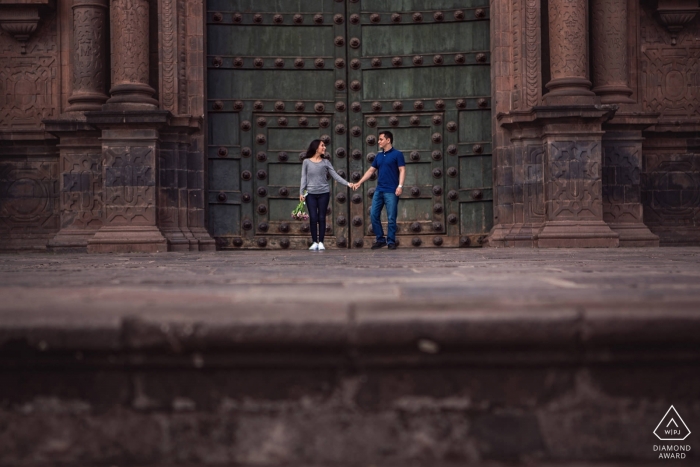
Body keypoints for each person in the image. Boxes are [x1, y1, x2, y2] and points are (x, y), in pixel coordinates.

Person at [300, 139, 356, 251]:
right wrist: (301, 192)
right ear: (316, 147)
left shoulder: (326, 162)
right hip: (310, 194)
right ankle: (314, 242)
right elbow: (303, 177)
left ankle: (321, 241)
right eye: (322, 146)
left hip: (324, 193)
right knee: (313, 217)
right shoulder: (306, 162)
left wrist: (348, 184)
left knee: (321, 217)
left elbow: (335, 175)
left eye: (324, 146)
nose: (324, 148)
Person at [353, 131, 405, 250]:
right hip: (379, 190)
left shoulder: (397, 154)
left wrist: (400, 186)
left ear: (388, 140)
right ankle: (380, 240)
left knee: (391, 217)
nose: (378, 141)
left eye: (381, 139)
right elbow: (371, 171)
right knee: (373, 215)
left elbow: (402, 170)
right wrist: (359, 182)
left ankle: (391, 241)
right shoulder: (379, 156)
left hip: (391, 190)